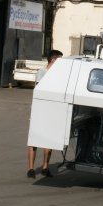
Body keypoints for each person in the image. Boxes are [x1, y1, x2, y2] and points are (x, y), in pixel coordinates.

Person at [27, 49, 63, 178]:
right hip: (40, 109)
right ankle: (31, 169)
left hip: (52, 110)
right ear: (53, 60)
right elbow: (38, 91)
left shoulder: (58, 74)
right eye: (60, 60)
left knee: (48, 141)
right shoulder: (42, 72)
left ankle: (45, 167)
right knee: (34, 141)